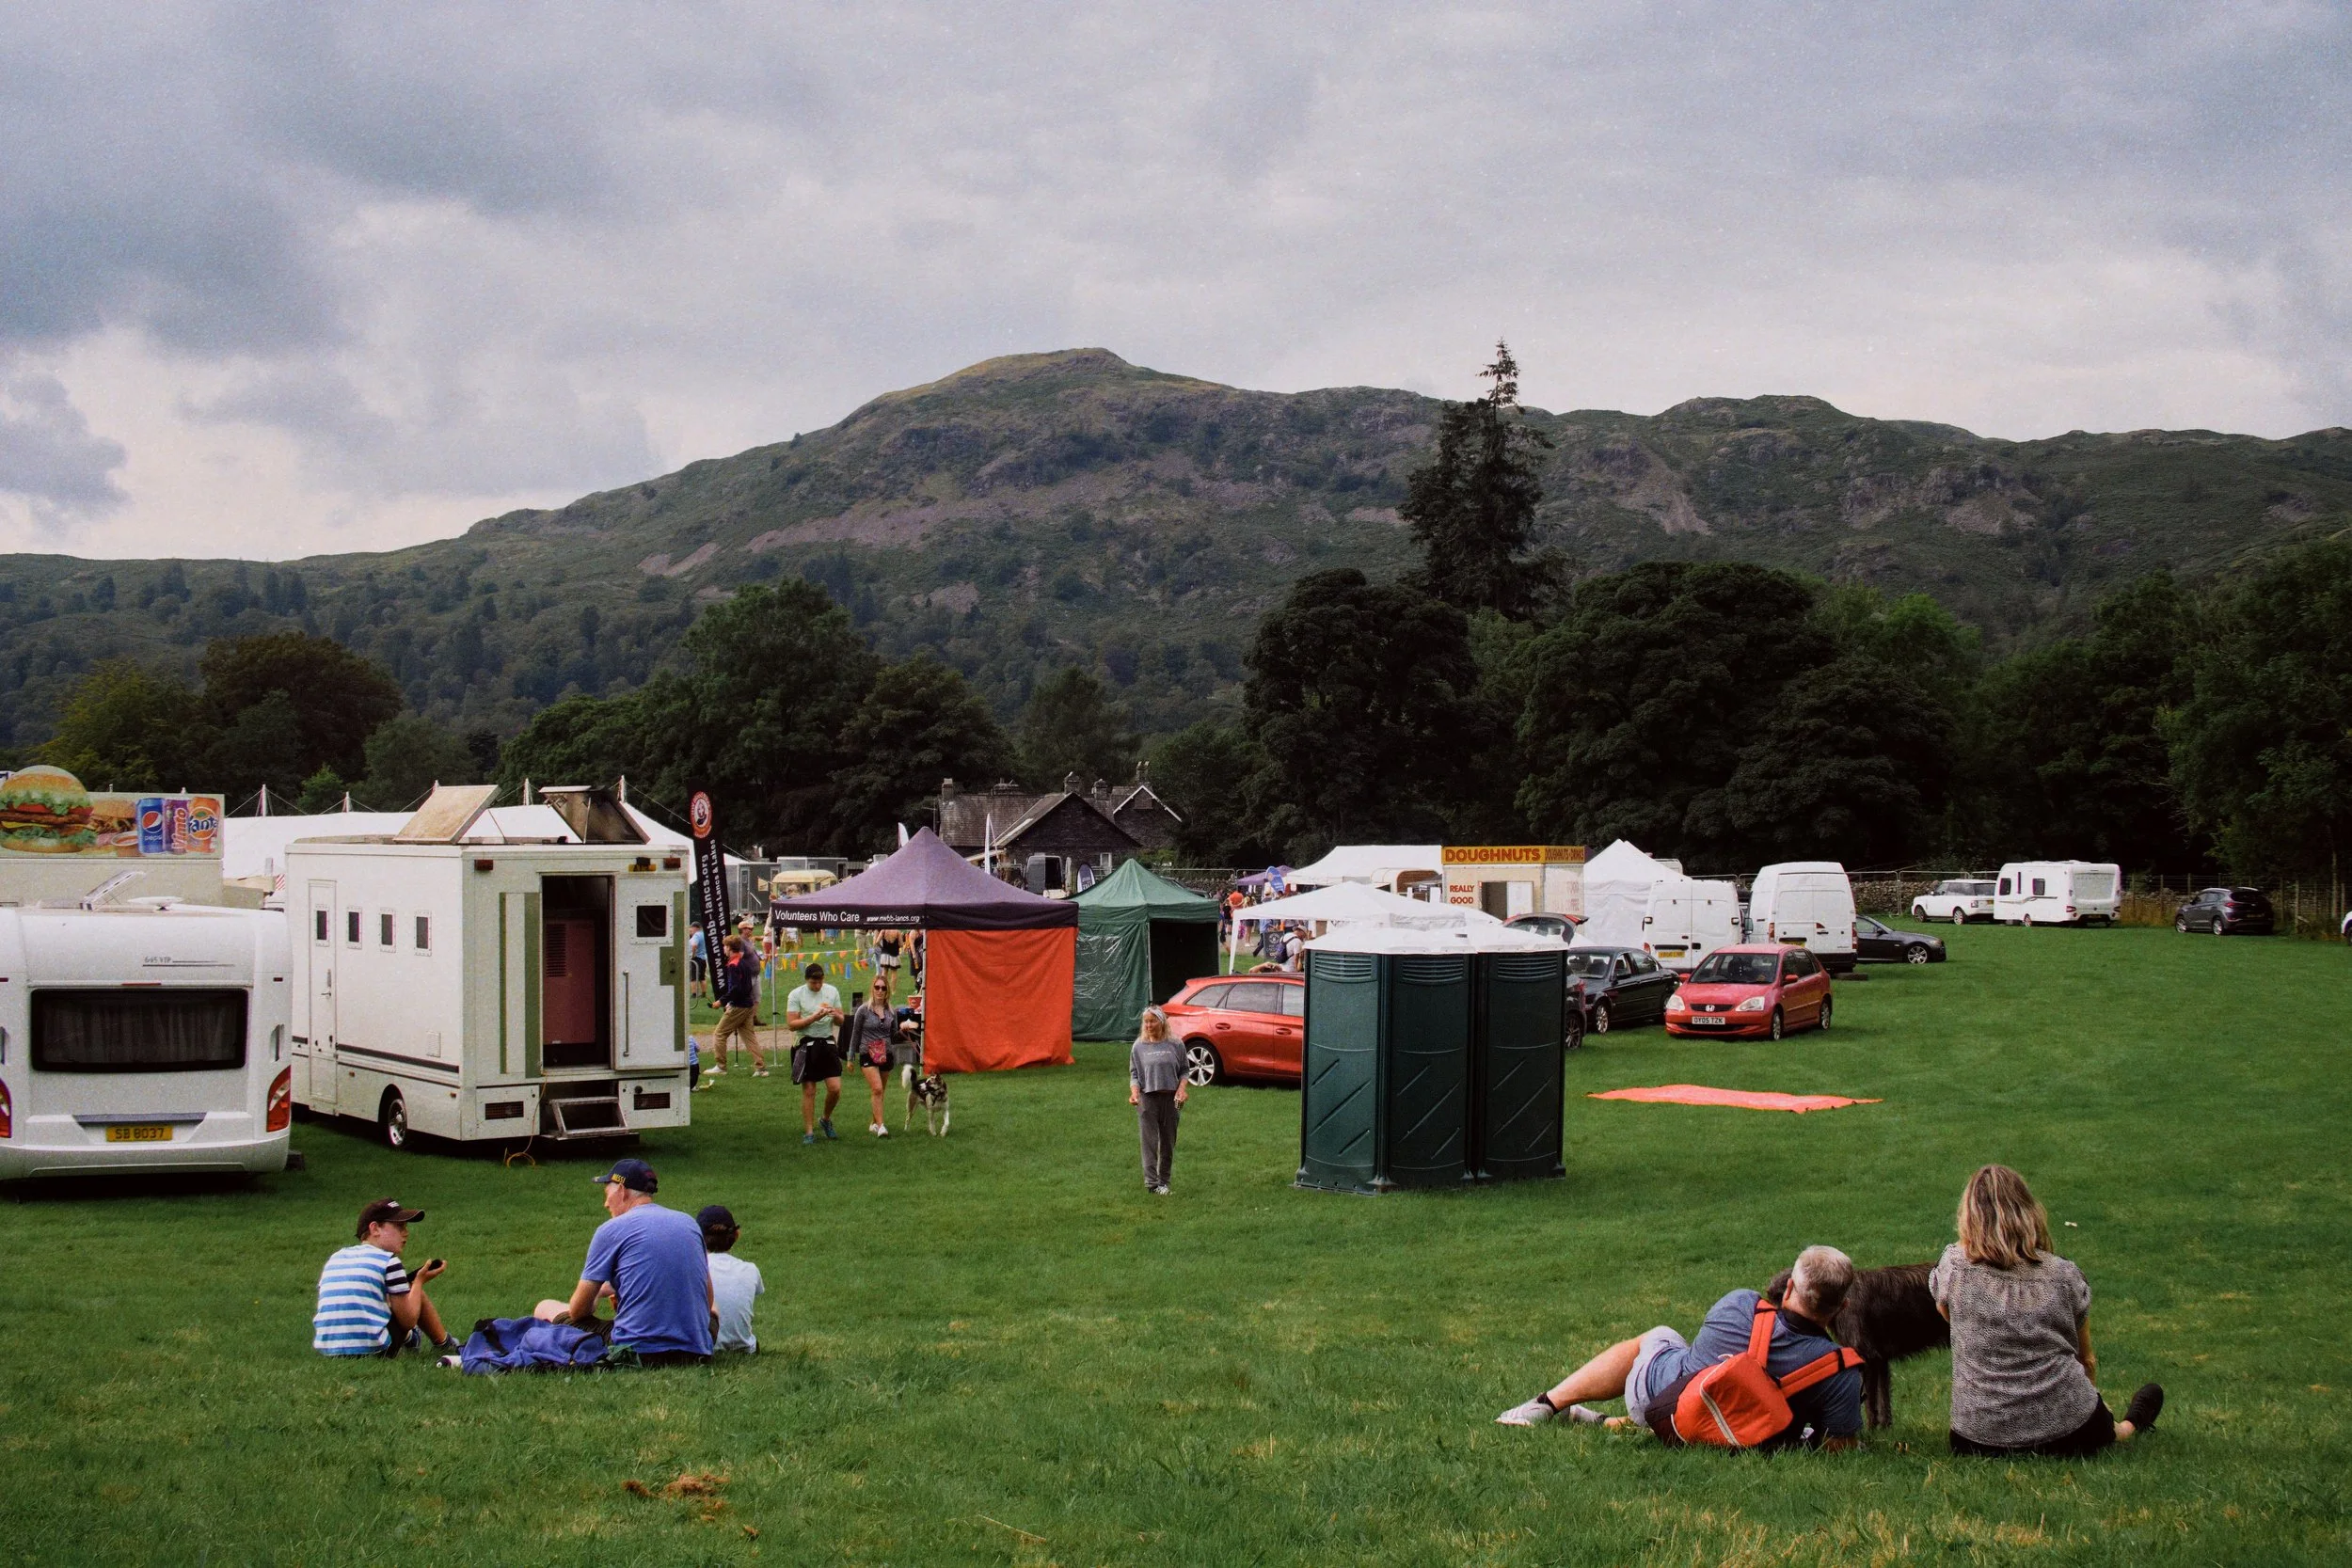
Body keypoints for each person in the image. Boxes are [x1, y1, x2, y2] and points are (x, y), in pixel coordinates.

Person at [1496, 1245, 1866, 1449]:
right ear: (1842, 1307)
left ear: (1788, 1288)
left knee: (1660, 1336)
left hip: (1664, 1411)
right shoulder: (1842, 1374)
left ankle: (1548, 1405)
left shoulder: (1739, 1304)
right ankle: (1598, 1422)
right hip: (1743, 1441)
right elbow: (1837, 1447)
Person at [1932, 1164, 2165, 1457]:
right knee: (2114, 1428)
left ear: (1968, 1217)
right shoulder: (2064, 1276)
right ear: (2029, 1211)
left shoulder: (1954, 1267)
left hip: (1975, 1437)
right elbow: (2086, 1359)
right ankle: (2129, 1424)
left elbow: (1946, 1312)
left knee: (2096, 1414)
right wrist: (2090, 1407)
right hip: (2067, 1430)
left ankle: (2110, 1420)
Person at [552, 1159, 715, 1366]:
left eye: (606, 1194)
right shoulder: (689, 1223)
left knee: (547, 1308)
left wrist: (601, 1292)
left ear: (621, 1190)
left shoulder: (611, 1230)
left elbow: (578, 1311)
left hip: (638, 1350)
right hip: (694, 1350)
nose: (605, 1203)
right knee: (714, 1314)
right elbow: (707, 1301)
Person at [314, 1197, 458, 1356]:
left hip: (328, 1350)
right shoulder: (389, 1261)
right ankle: (444, 1344)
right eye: (399, 1226)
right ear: (375, 1228)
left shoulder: (336, 1257)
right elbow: (409, 1320)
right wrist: (419, 1281)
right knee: (410, 1288)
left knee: (383, 1296)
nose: (406, 1232)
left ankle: (411, 1339)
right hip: (374, 1351)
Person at [1129, 1005, 1189, 1195]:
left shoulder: (1176, 1044)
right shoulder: (1139, 1046)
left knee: (1168, 1143)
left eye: (1152, 1021)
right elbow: (1135, 1074)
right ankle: (1152, 1184)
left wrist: (1181, 1089)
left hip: (1170, 1100)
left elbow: (1184, 1071)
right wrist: (1134, 1093)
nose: (1148, 1025)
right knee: (1149, 1142)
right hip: (1148, 1100)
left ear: (1161, 1022)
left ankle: (1164, 1181)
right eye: (1145, 1022)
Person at [787, 960, 847, 1144]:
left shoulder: (832, 991)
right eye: (814, 982)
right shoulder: (796, 994)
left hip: (827, 1042)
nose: (817, 985)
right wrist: (813, 1018)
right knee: (810, 1090)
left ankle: (825, 1119)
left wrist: (834, 1015)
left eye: (820, 981)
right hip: (806, 1043)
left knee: (835, 1089)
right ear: (807, 980)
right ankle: (809, 1132)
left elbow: (841, 1021)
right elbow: (791, 1024)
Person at [699, 1204, 765, 1354]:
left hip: (708, 1345)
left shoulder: (697, 1269)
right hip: (745, 1347)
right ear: (736, 1235)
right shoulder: (751, 1269)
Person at [844, 978, 898, 1137]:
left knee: (881, 1091)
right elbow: (855, 1034)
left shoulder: (891, 1011)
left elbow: (893, 1034)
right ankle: (881, 1127)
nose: (880, 990)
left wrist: (904, 1029)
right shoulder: (863, 1010)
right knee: (877, 1088)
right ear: (872, 989)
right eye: (877, 987)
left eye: (883, 988)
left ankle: (874, 1123)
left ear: (887, 991)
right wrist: (850, 1057)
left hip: (886, 1053)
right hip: (868, 1052)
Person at [707, 933, 761, 1078]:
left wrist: (721, 1001)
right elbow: (747, 986)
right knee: (749, 1037)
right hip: (748, 1004)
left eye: (725, 946)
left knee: (719, 1034)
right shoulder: (744, 963)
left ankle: (721, 1066)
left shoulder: (733, 965)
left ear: (730, 948)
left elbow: (735, 988)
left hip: (739, 1006)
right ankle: (761, 1068)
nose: (724, 949)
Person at [687, 921, 708, 1001]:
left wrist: (692, 955)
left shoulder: (696, 935)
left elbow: (694, 945)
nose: (690, 931)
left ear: (695, 928)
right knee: (702, 977)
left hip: (696, 958)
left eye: (691, 929)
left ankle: (694, 994)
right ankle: (703, 993)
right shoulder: (704, 934)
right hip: (703, 958)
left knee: (693, 977)